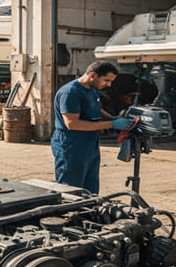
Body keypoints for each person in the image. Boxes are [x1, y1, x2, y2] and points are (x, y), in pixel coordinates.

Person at [51, 61, 134, 194]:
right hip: (71, 145)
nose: (109, 84)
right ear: (93, 75)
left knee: (90, 188)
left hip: (90, 144)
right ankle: (71, 214)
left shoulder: (92, 90)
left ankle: (88, 214)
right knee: (71, 189)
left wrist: (112, 118)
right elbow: (72, 123)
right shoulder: (70, 92)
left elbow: (95, 108)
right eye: (106, 80)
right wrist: (111, 124)